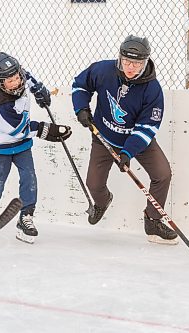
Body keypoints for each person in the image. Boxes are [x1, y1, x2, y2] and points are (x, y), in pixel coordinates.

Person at [71, 35, 178, 245]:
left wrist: (128, 152)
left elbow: (147, 127)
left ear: (145, 62)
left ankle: (153, 221)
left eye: (137, 63)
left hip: (136, 142)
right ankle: (102, 202)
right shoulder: (103, 70)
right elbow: (80, 85)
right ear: (119, 58)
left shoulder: (152, 89)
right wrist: (81, 108)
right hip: (103, 138)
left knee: (162, 174)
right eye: (127, 61)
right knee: (93, 183)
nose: (130, 67)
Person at [0, 52, 72, 244]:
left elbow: (27, 76)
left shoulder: (20, 79)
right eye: (10, 81)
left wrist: (39, 89)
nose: (16, 83)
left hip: (22, 147)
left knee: (29, 178)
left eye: (17, 77)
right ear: (0, 82)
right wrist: (47, 130)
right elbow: (17, 130)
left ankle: (26, 217)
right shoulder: (0, 107)